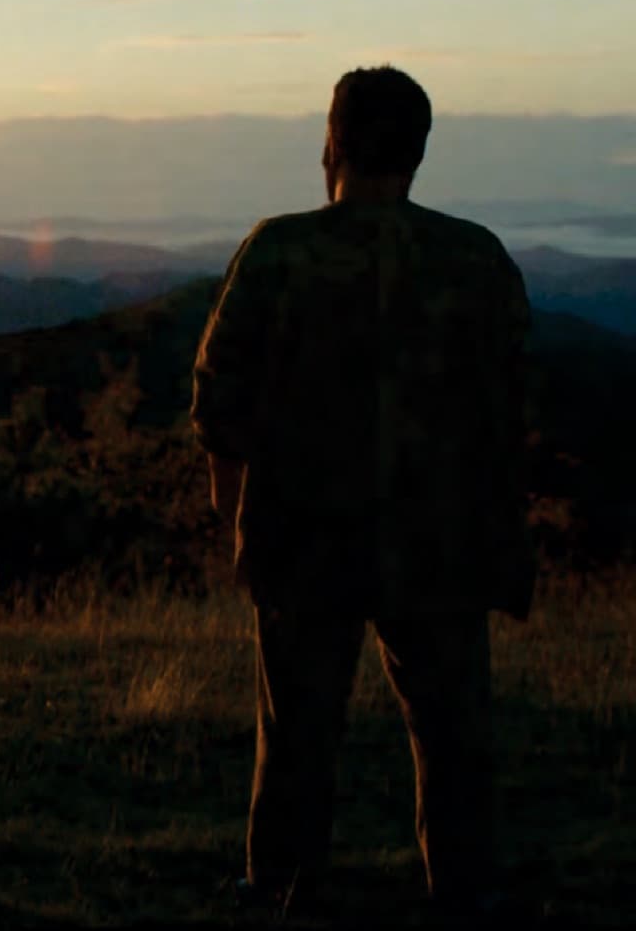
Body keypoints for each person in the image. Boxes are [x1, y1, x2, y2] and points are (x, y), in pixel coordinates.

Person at [193, 66, 532, 917]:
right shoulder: (475, 256)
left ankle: (280, 889)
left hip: (305, 539)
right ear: (419, 151)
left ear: (330, 143)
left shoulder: (278, 248)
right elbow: (514, 404)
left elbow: (218, 396)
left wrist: (233, 513)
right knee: (455, 733)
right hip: (443, 541)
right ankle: (469, 892)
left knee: (299, 732)